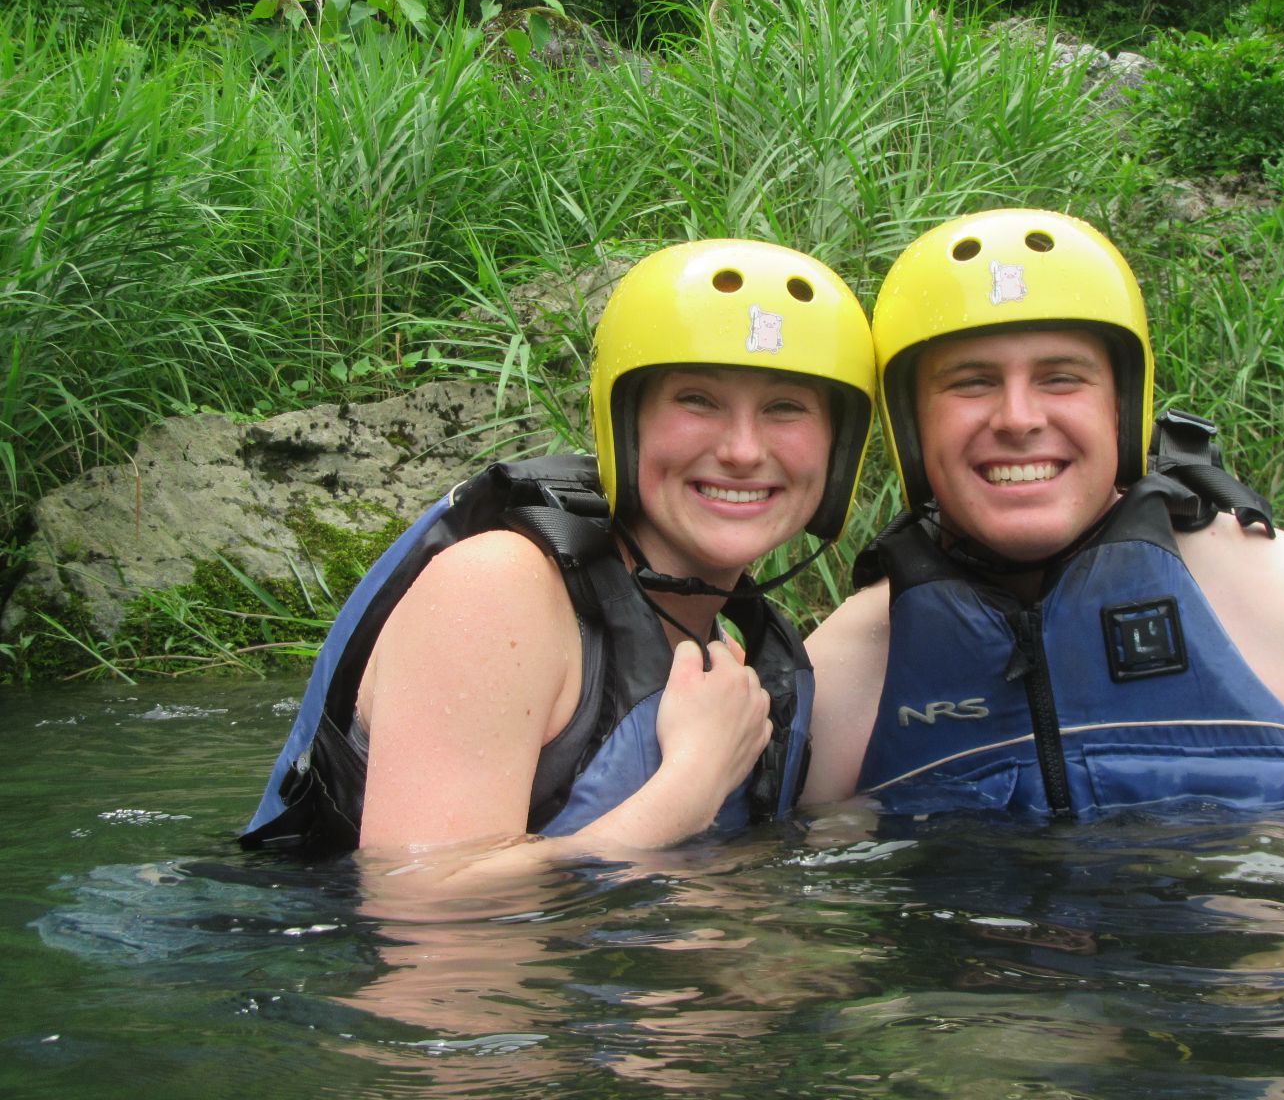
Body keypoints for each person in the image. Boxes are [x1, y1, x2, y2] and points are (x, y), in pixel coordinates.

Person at [802, 208, 1284, 818]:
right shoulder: (837, 679)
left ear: (1122, 407)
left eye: (1061, 378)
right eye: (971, 383)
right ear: (911, 427)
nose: (1018, 418)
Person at [240, 239, 875, 886]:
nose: (742, 450)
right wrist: (691, 786)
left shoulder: (729, 656)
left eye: (785, 408)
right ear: (623, 423)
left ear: (839, 447)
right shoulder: (497, 588)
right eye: (696, 400)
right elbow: (420, 903)